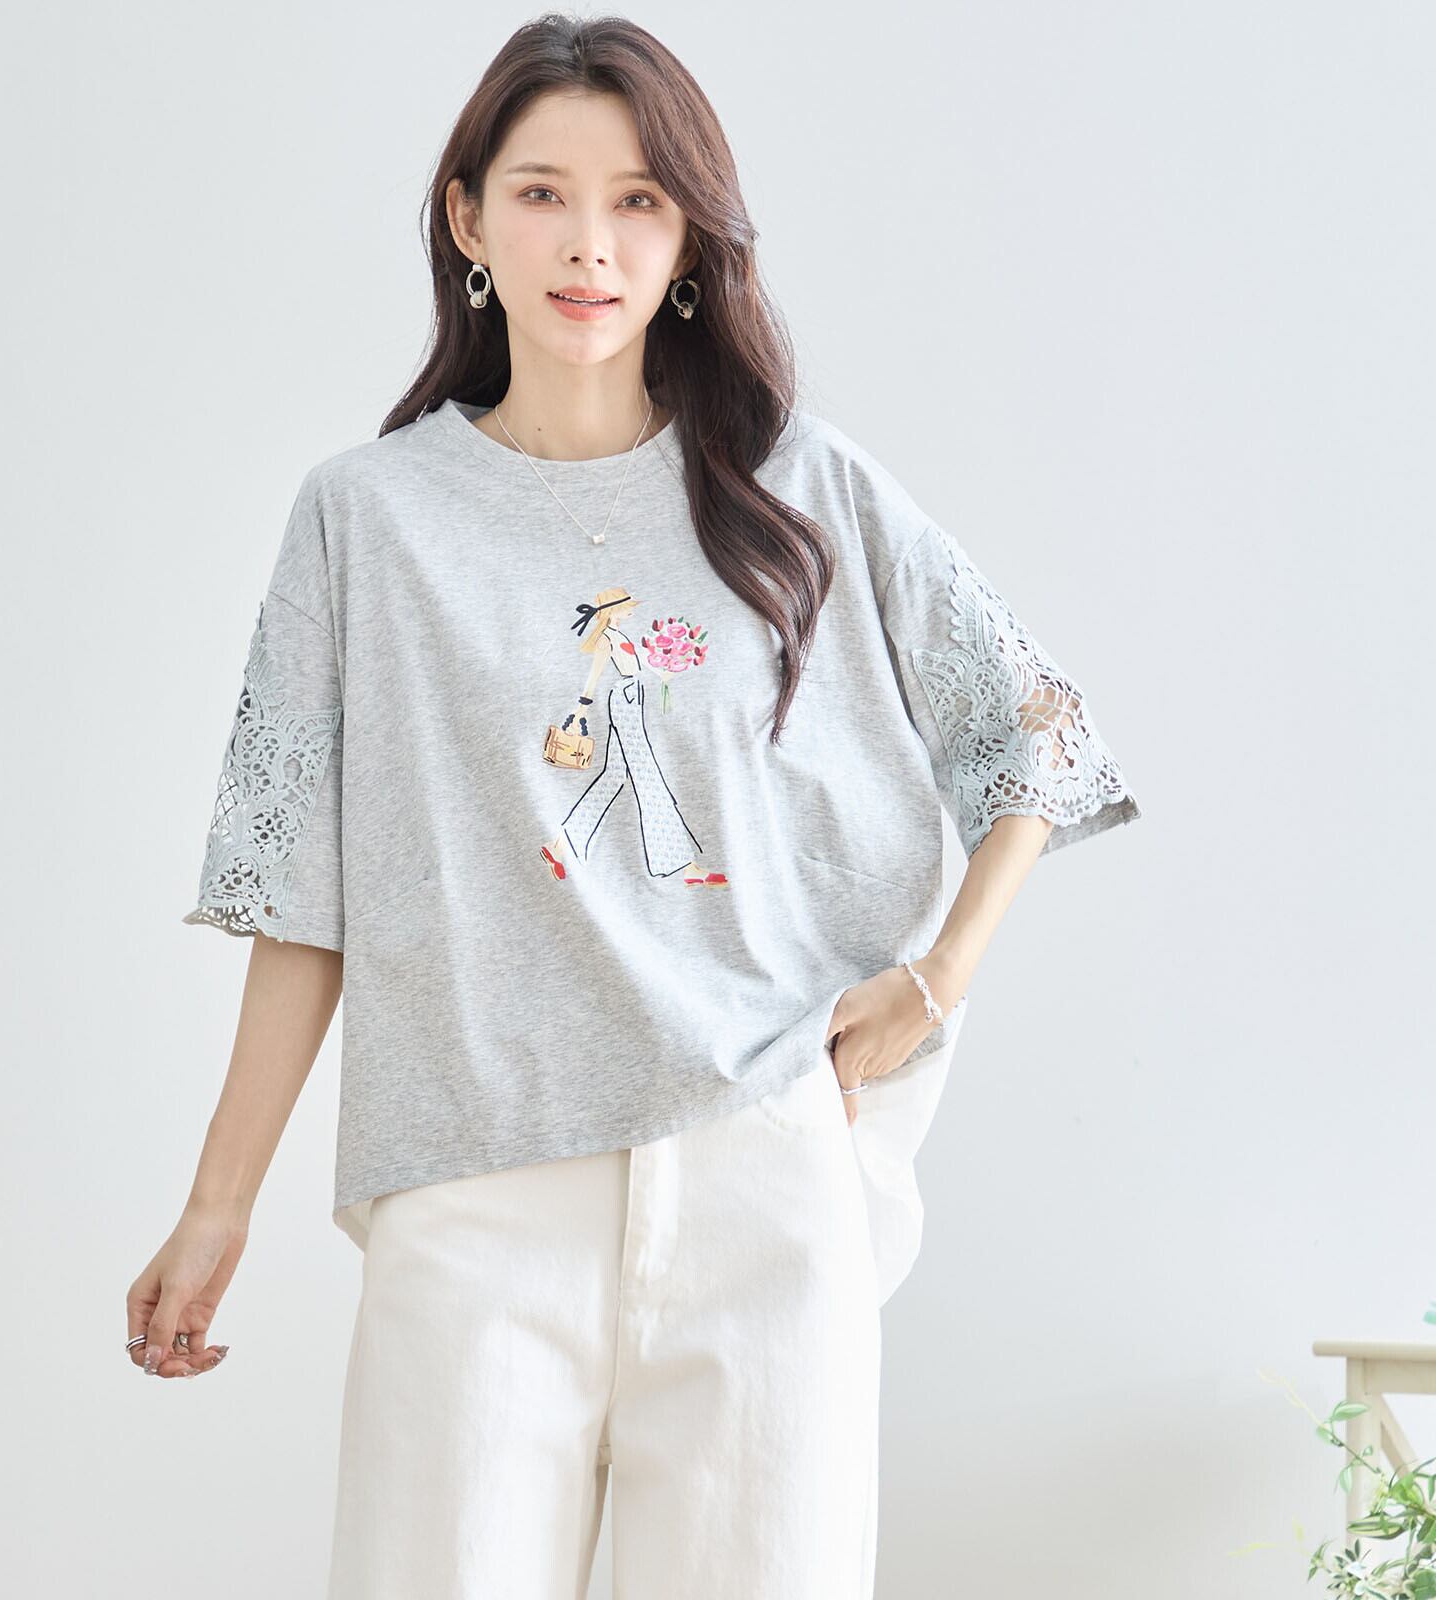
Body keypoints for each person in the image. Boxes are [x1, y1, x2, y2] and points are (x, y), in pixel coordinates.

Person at [125, 14, 1143, 1597]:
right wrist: (217, 1206)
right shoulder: (366, 519)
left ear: (688, 241)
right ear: (468, 219)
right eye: (542, 194)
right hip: (474, 1187)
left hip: (761, 1177)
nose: (588, 245)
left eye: (639, 201)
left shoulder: (801, 489)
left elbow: (1035, 729)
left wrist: (939, 978)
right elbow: (300, 891)